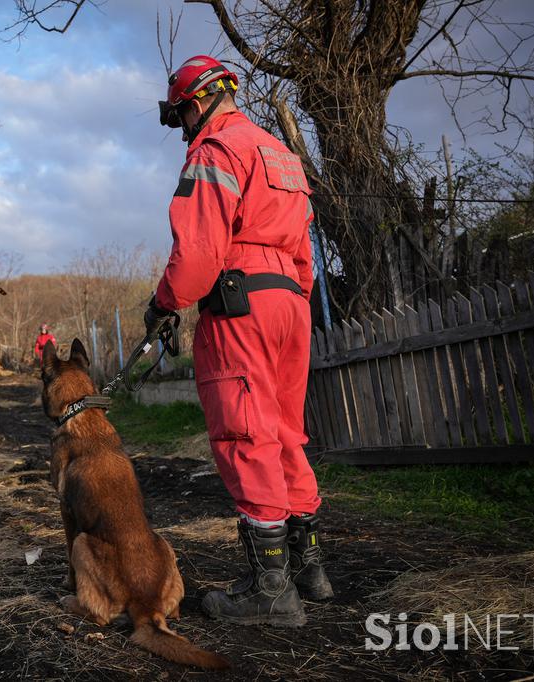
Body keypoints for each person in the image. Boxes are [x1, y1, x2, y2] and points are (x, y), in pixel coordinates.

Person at [145, 55, 333, 627]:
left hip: (239, 305)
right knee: (284, 432)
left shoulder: (214, 151)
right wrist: (293, 300)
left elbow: (198, 256)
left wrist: (163, 304)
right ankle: (309, 568)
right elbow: (304, 256)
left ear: (196, 103)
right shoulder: (282, 153)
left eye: (180, 117)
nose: (183, 129)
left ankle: (270, 591)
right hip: (291, 305)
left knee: (244, 431)